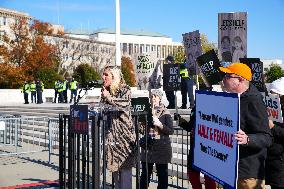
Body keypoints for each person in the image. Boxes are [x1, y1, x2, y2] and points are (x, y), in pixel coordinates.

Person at [219, 62, 272, 189]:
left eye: (228, 76)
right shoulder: (234, 98)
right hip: (231, 170)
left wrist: (247, 139)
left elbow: (267, 137)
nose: (224, 78)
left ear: (240, 80)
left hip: (247, 175)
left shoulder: (253, 101)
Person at [100, 66, 136, 189]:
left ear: (114, 77)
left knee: (125, 173)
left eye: (106, 75)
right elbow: (102, 110)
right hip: (111, 137)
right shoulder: (107, 91)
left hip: (124, 139)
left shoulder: (125, 89)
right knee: (115, 172)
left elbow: (123, 104)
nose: (103, 77)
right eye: (103, 74)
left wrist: (108, 97)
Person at [140, 89, 174, 189]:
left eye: (155, 96)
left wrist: (159, 124)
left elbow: (170, 131)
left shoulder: (165, 112)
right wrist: (141, 124)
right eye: (152, 96)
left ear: (159, 98)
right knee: (145, 176)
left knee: (162, 177)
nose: (153, 98)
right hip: (149, 148)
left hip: (161, 149)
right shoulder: (146, 111)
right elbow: (143, 130)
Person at [178, 105, 216, 189]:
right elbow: (190, 127)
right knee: (192, 175)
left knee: (209, 176)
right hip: (194, 147)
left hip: (207, 147)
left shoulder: (212, 107)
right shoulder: (195, 108)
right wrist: (180, 120)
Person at [265, 77, 284, 189]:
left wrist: (273, 127)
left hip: (281, 162)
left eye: (275, 94)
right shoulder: (273, 107)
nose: (272, 96)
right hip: (273, 159)